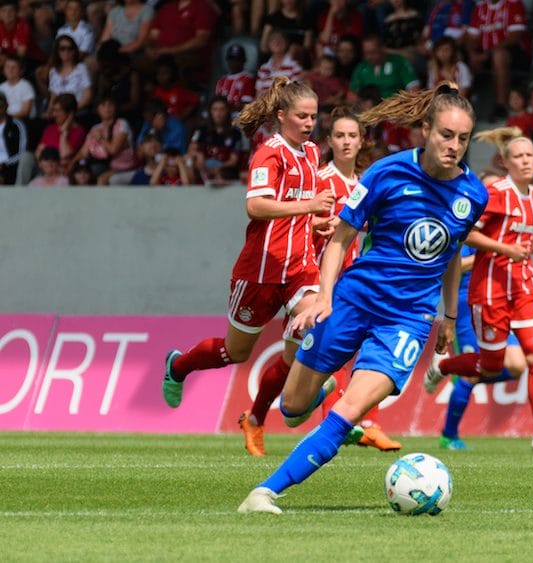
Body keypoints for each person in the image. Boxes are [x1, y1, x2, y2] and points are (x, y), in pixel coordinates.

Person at [236, 83, 488, 514]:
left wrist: (448, 316)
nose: (454, 146)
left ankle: (264, 493)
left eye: (463, 139)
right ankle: (319, 385)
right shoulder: (385, 174)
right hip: (353, 300)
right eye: (446, 135)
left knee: (348, 412)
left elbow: (448, 254)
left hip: (406, 320)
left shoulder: (473, 195)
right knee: (294, 409)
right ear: (424, 130)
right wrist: (323, 298)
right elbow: (341, 239)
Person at [162, 77, 337, 435]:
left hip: (300, 268)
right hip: (259, 272)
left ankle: (300, 399)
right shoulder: (269, 153)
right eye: (302, 116)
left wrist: (317, 223)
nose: (309, 124)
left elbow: (303, 210)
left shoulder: (313, 153)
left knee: (319, 319)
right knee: (235, 352)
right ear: (281, 114)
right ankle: (178, 366)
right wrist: (310, 206)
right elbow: (255, 206)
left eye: (313, 117)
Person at [423, 126, 533, 454]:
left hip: (524, 287)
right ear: (506, 162)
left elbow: (521, 241)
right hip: (489, 292)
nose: (526, 161)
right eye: (519, 156)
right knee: (489, 365)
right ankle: (443, 367)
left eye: (530, 155)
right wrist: (504, 249)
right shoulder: (497, 194)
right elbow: (466, 236)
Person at [424, 242, 526, 450]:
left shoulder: (500, 230)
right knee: (469, 376)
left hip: (497, 304)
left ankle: (449, 366)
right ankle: (449, 436)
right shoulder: (470, 227)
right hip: (468, 304)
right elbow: (454, 266)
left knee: (517, 364)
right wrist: (494, 253)